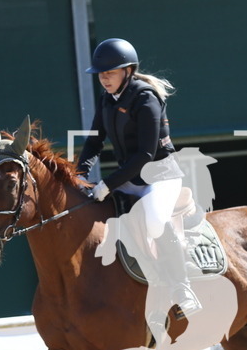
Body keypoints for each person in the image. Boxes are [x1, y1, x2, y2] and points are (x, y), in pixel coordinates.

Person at [76, 38, 202, 324]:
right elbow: (95, 141)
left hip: (160, 176)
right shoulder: (107, 99)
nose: (103, 78)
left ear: (128, 70)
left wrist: (107, 184)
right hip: (130, 176)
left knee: (155, 219)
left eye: (110, 72)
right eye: (100, 73)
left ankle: (183, 290)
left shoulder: (146, 98)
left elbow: (145, 153)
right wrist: (78, 174)